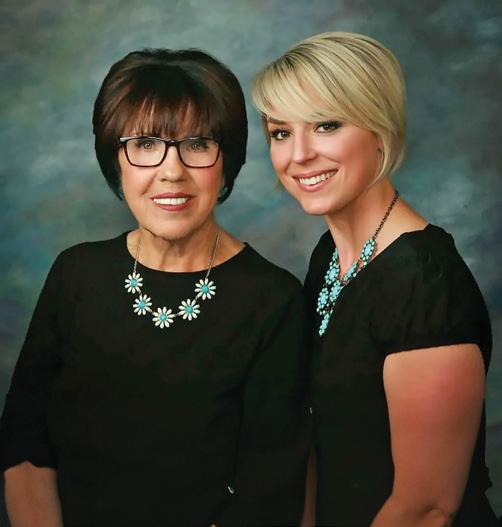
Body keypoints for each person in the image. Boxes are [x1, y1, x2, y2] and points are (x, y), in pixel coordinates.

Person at [0, 48, 311, 526]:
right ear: (116, 160)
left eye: (198, 144)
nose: (172, 170)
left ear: (226, 161)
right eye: (145, 144)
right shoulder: (76, 275)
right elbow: (25, 443)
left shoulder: (274, 300)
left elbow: (268, 490)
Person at [253, 32, 501, 527]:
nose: (298, 155)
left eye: (325, 125)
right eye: (281, 133)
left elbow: (427, 510)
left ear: (379, 129)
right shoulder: (331, 255)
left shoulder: (424, 283)